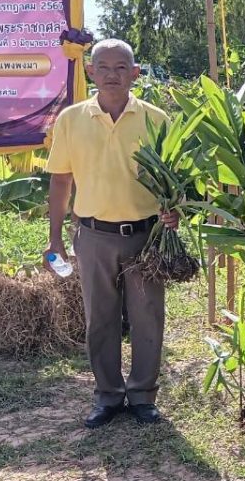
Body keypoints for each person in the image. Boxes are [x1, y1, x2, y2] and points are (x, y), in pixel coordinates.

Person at [43, 39, 179, 429]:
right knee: (100, 318)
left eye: (121, 67)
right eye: (103, 67)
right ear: (90, 71)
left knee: (147, 317)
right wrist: (55, 238)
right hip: (93, 236)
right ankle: (107, 395)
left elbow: (173, 178)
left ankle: (142, 395)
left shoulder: (156, 119)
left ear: (135, 73)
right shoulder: (71, 119)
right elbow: (61, 180)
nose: (112, 75)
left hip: (145, 236)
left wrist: (174, 211)